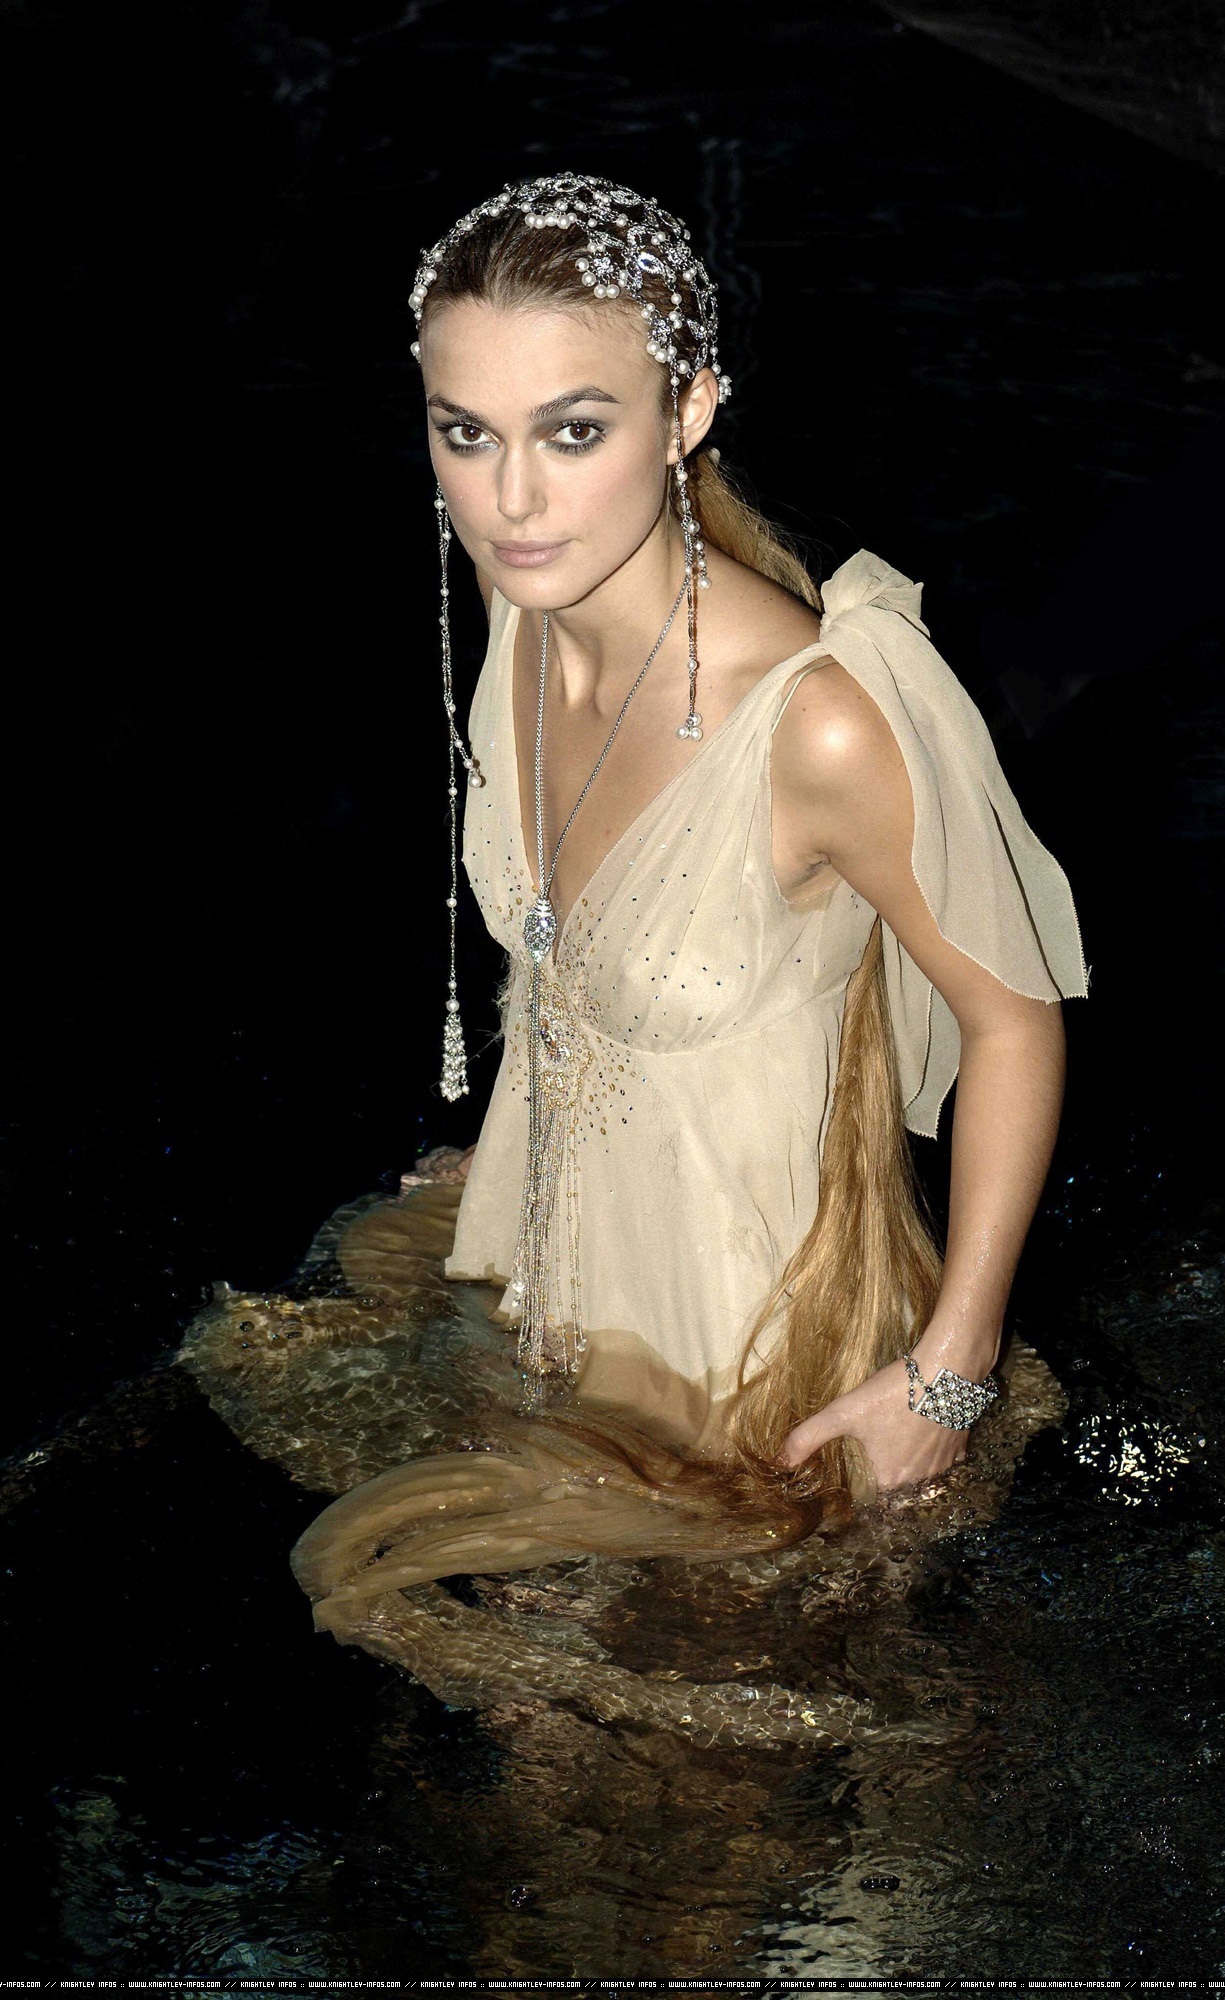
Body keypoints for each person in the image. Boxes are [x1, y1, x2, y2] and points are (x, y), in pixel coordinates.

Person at [284, 174, 1087, 1658]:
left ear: (689, 410)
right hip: (554, 1290)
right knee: (518, 1736)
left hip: (754, 1366)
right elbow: (571, 962)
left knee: (679, 1757)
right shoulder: (525, 615)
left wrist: (947, 1371)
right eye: (467, 433)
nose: (512, 501)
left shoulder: (819, 721)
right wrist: (532, 1138)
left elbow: (1012, 1019)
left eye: (573, 432)